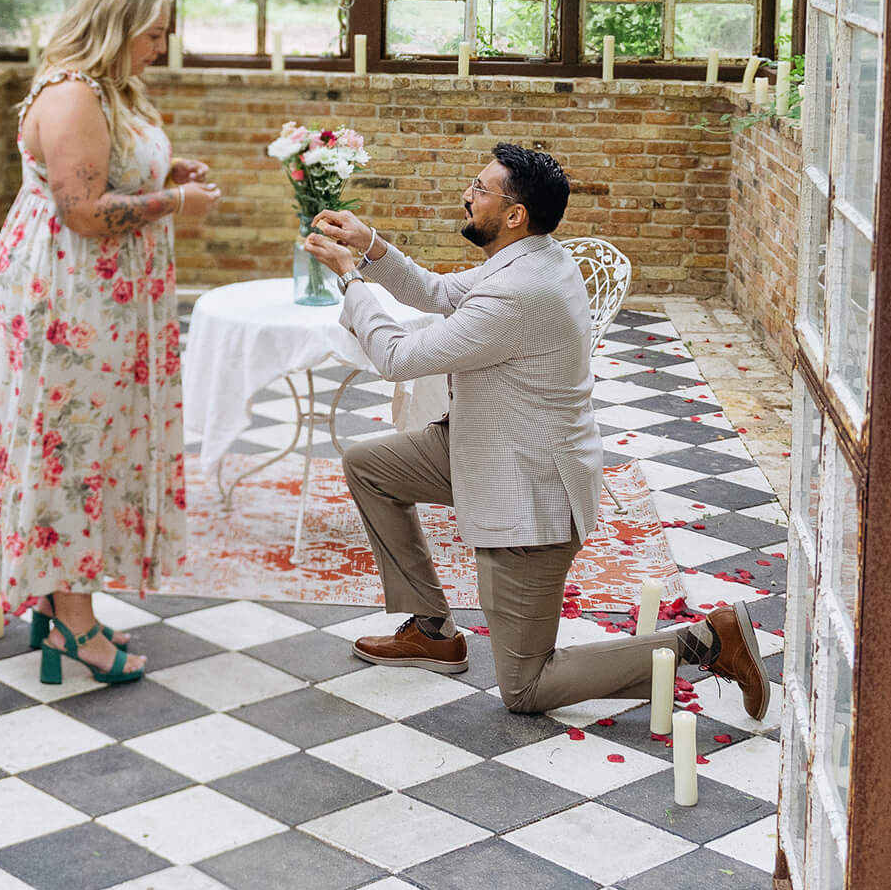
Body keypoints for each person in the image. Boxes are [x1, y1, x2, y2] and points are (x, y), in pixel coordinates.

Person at [303, 144, 769, 721]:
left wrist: (352, 280)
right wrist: (369, 244)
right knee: (370, 467)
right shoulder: (534, 257)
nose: (467, 195)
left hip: (529, 491)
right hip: (487, 445)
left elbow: (398, 358)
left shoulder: (518, 292)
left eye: (480, 189)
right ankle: (431, 631)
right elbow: (440, 293)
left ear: (515, 213)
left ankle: (709, 641)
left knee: (526, 688)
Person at [0, 0, 221, 685]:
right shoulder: (73, 95)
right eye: (152, 34)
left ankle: (59, 601)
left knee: (95, 441)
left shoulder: (108, 90)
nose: (160, 48)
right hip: (69, 299)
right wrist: (176, 203)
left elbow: (105, 170)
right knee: (72, 447)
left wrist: (166, 170)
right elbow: (84, 212)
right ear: (117, 27)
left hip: (99, 297)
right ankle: (74, 623)